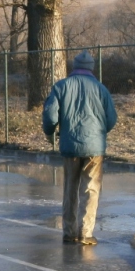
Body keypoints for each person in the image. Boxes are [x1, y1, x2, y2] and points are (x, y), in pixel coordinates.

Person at [42, 51, 117, 245]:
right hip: (95, 148)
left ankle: (69, 231)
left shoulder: (61, 87)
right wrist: (99, 133)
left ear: (74, 67)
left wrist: (50, 131)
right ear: (92, 68)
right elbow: (111, 119)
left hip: (70, 145)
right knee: (91, 189)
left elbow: (50, 117)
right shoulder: (101, 89)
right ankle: (85, 233)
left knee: (70, 188)